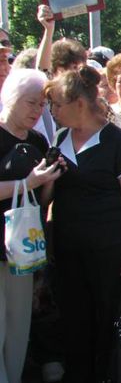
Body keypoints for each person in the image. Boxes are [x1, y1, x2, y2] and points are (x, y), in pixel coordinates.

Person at [46, 66, 121, 382]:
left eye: (58, 104)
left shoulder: (118, 142)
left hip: (108, 250)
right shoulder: (59, 139)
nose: (52, 111)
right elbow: (48, 197)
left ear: (80, 104)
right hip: (68, 249)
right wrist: (46, 178)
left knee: (106, 320)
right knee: (74, 319)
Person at [0, 70, 63, 383]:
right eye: (30, 103)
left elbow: (43, 199)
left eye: (41, 105)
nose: (37, 111)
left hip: (26, 249)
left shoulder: (39, 139)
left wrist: (49, 180)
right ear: (11, 97)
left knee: (18, 326)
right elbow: (28, 186)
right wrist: (26, 182)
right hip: (2, 244)